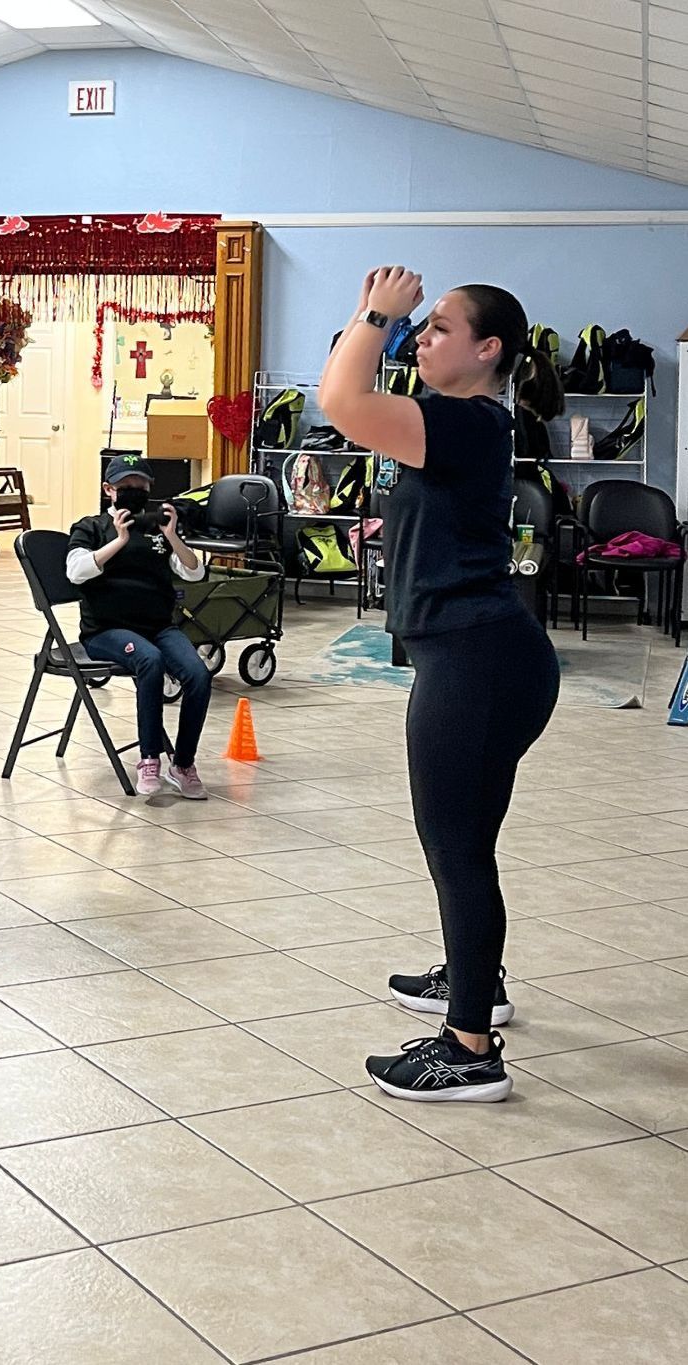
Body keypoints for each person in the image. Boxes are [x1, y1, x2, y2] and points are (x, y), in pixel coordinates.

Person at [319, 267, 561, 1103]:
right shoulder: (461, 423)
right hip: (480, 657)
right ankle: (473, 981)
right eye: (414, 327)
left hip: (477, 661)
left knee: (454, 850)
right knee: (466, 846)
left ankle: (468, 1048)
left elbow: (339, 401)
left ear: (486, 350)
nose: (418, 336)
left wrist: (376, 312)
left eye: (437, 327)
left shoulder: (461, 423)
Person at [65, 455, 210, 798]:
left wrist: (173, 537)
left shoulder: (155, 527)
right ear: (108, 490)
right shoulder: (91, 527)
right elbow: (75, 572)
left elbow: (194, 571)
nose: (133, 492)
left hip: (158, 625)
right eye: (125, 487)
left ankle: (183, 763)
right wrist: (117, 541)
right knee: (150, 660)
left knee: (198, 675)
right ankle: (149, 759)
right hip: (106, 630)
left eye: (140, 487)